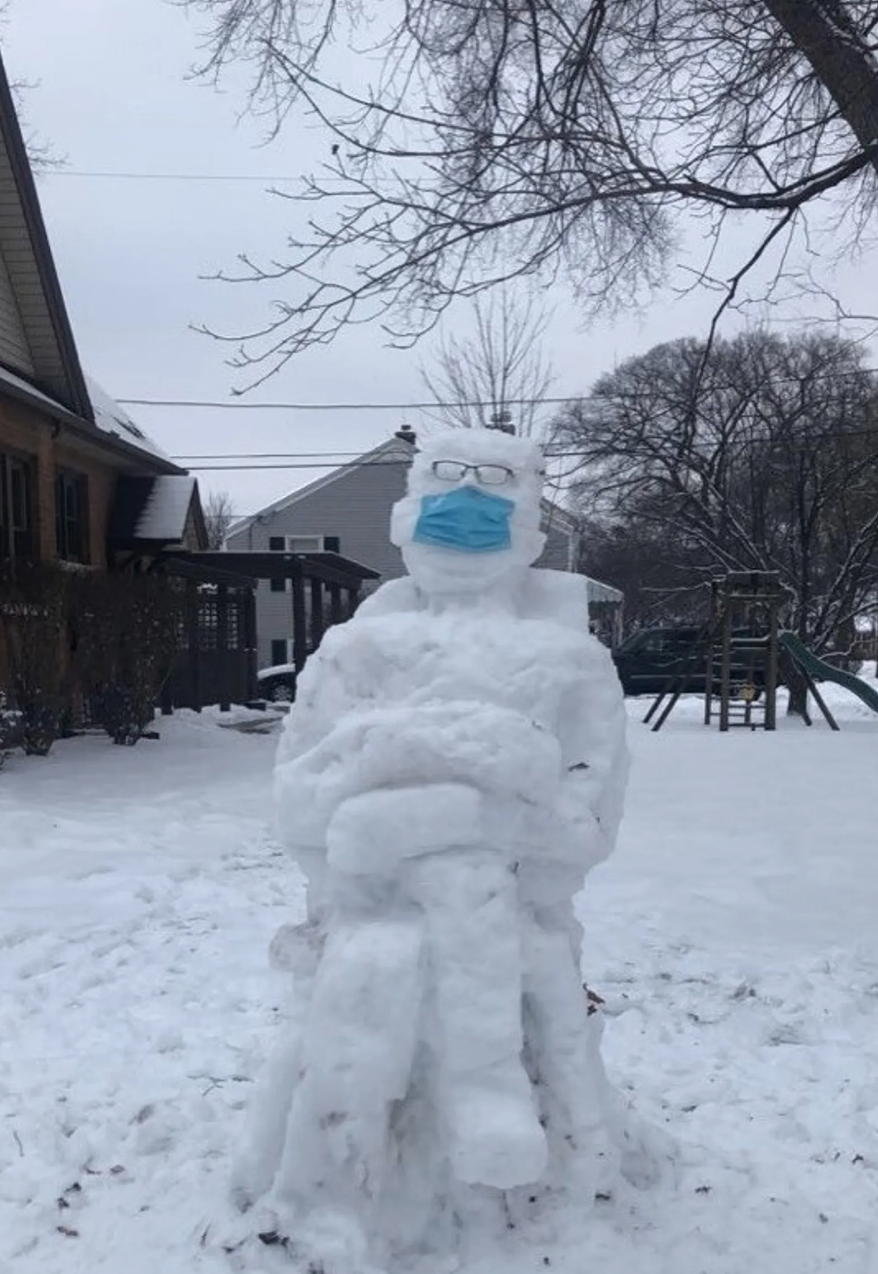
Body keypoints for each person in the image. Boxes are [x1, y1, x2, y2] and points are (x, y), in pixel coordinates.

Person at [233, 428, 649, 1266]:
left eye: (491, 492)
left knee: (429, 910)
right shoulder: (353, 653)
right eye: (446, 488)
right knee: (377, 961)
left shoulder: (570, 663)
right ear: (405, 516)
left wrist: (401, 812)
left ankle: (488, 1105)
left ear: (530, 530)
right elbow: (303, 809)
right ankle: (361, 1173)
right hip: (374, 911)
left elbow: (581, 834)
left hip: (511, 919)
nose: (465, 512)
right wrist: (459, 769)